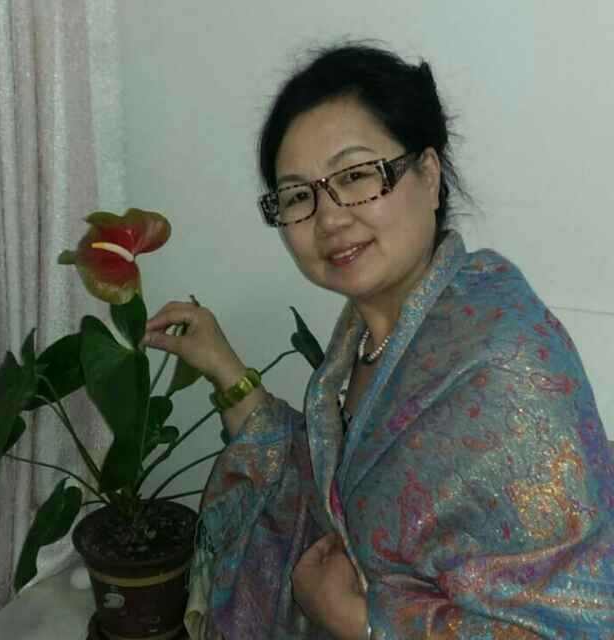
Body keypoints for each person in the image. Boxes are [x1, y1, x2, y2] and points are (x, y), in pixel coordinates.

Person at [142, 44, 614, 639]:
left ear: (430, 175)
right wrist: (224, 368)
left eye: (356, 175)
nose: (329, 218)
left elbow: (576, 626)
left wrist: (361, 622)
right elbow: (338, 495)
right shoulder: (367, 337)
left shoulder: (504, 369)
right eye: (298, 195)